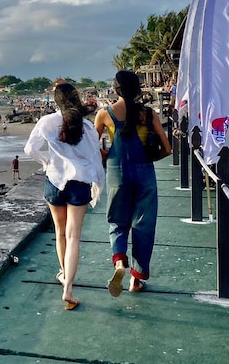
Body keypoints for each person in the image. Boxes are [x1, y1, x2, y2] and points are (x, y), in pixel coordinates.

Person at [25, 83, 105, 311]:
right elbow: (94, 159)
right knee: (74, 237)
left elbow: (30, 149)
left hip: (54, 182)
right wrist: (98, 184)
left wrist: (46, 162)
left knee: (59, 233)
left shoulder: (47, 121)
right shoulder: (87, 126)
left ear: (56, 100)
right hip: (79, 185)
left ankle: (63, 273)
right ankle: (68, 288)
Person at [94, 70, 171, 297]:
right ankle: (135, 280)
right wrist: (149, 159)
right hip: (145, 174)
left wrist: (106, 156)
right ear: (138, 90)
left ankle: (119, 262)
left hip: (117, 174)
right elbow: (167, 149)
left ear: (115, 89)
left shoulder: (104, 114)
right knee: (143, 226)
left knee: (117, 222)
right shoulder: (148, 114)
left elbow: (92, 147)